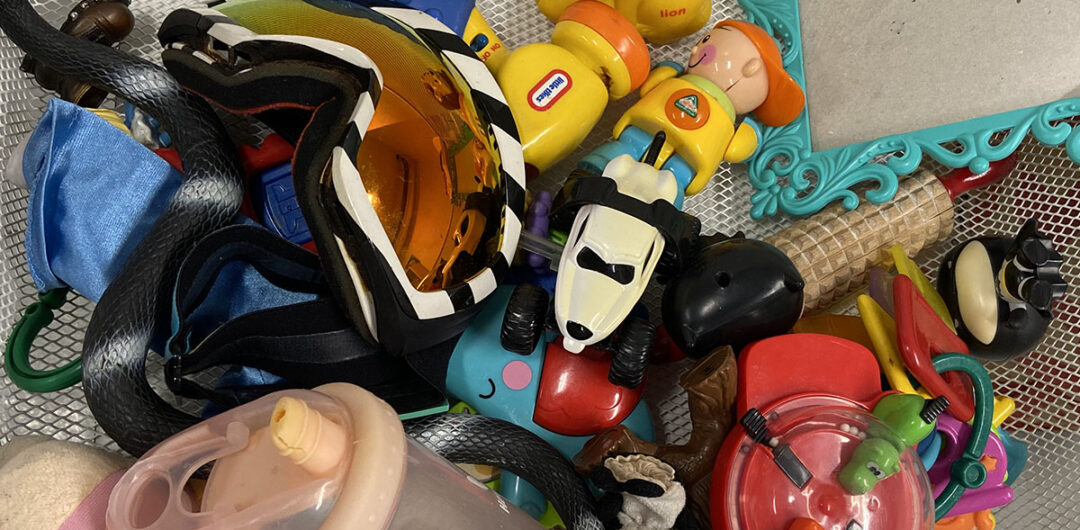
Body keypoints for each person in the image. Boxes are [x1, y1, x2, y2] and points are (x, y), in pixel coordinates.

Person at [581, 20, 805, 206]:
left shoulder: (728, 122)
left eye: (707, 42)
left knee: (674, 179)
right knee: (627, 149)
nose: (695, 49)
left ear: (751, 68)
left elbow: (737, 149)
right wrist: (665, 72)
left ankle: (662, 206)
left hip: (684, 163)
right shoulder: (674, 78)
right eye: (702, 40)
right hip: (641, 131)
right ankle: (600, 168)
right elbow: (649, 89)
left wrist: (750, 134)